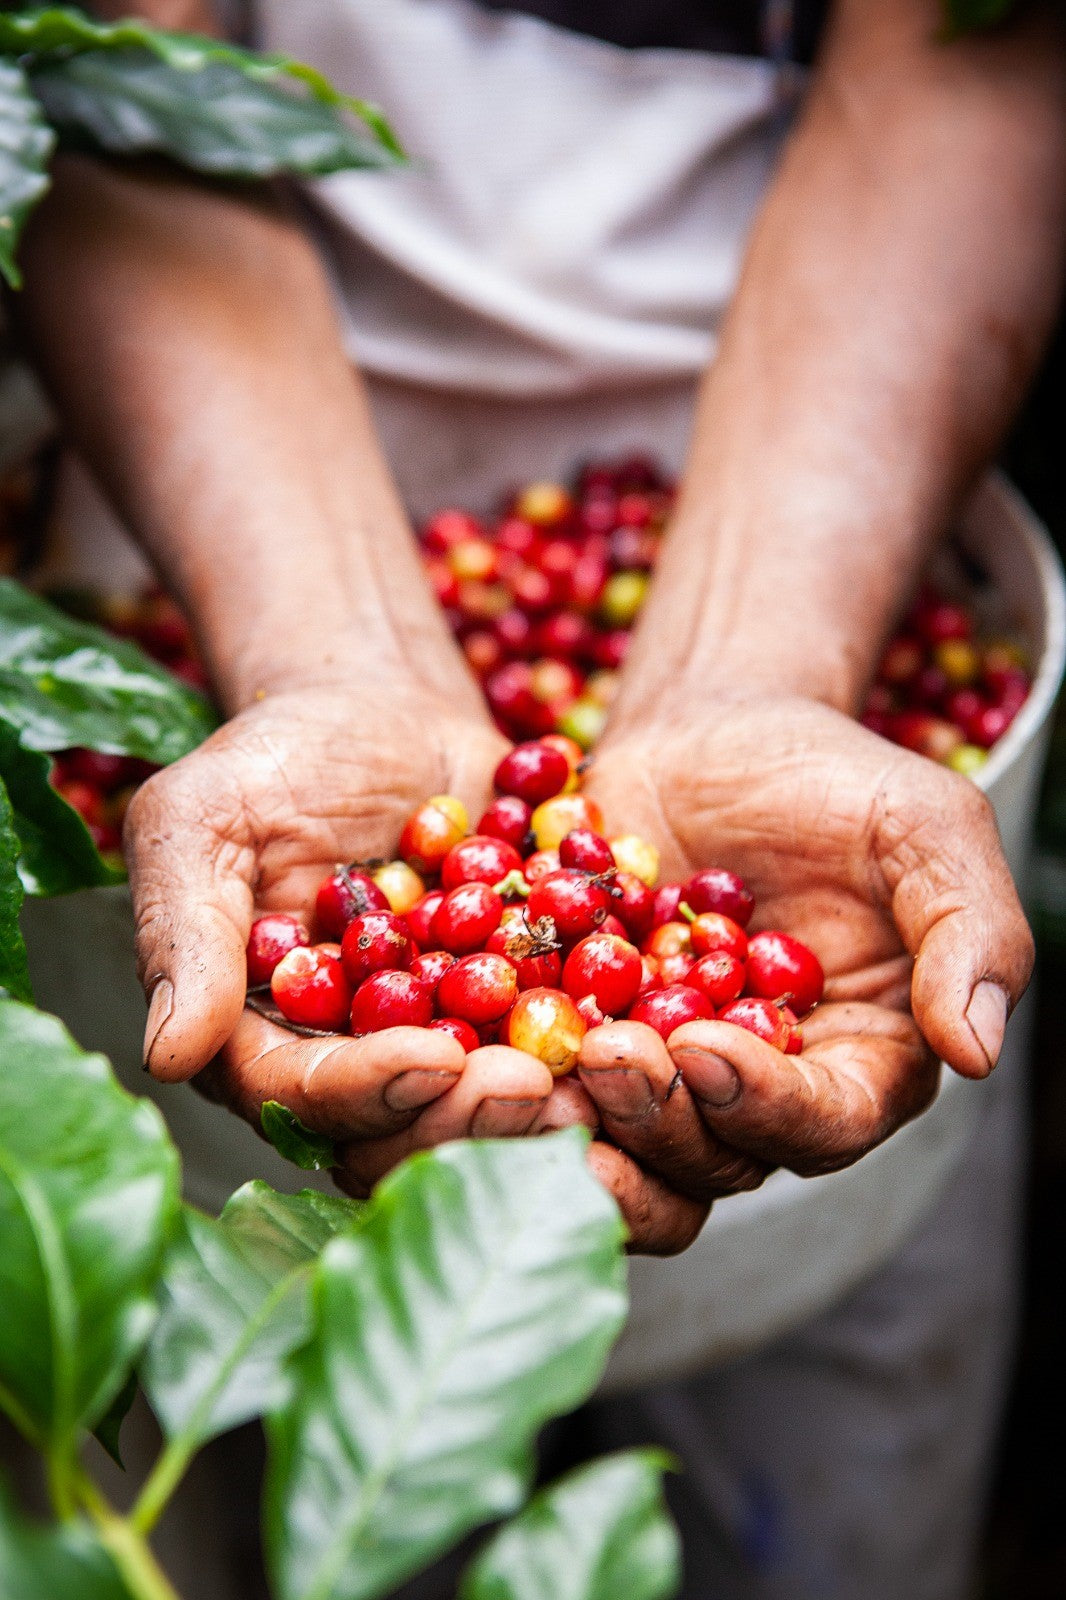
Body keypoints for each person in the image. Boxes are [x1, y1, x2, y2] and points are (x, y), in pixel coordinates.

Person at [11, 0, 1066, 1593]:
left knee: (827, 1478)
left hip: (829, 516)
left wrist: (754, 672)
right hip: (223, 506)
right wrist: (330, 658)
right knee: (282, 1464)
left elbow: (960, 64)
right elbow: (116, 73)